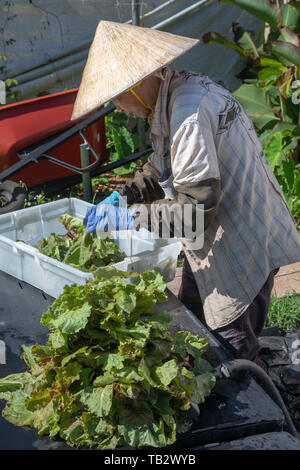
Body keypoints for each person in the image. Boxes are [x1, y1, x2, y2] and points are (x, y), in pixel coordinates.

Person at [72, 20, 300, 366]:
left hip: (241, 241)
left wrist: (129, 217)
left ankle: (265, 413)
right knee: (192, 321)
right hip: (213, 238)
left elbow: (194, 214)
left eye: (116, 97)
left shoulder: (188, 114)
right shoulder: (174, 93)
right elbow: (163, 163)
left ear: (137, 84)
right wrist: (127, 195)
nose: (117, 108)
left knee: (232, 352)